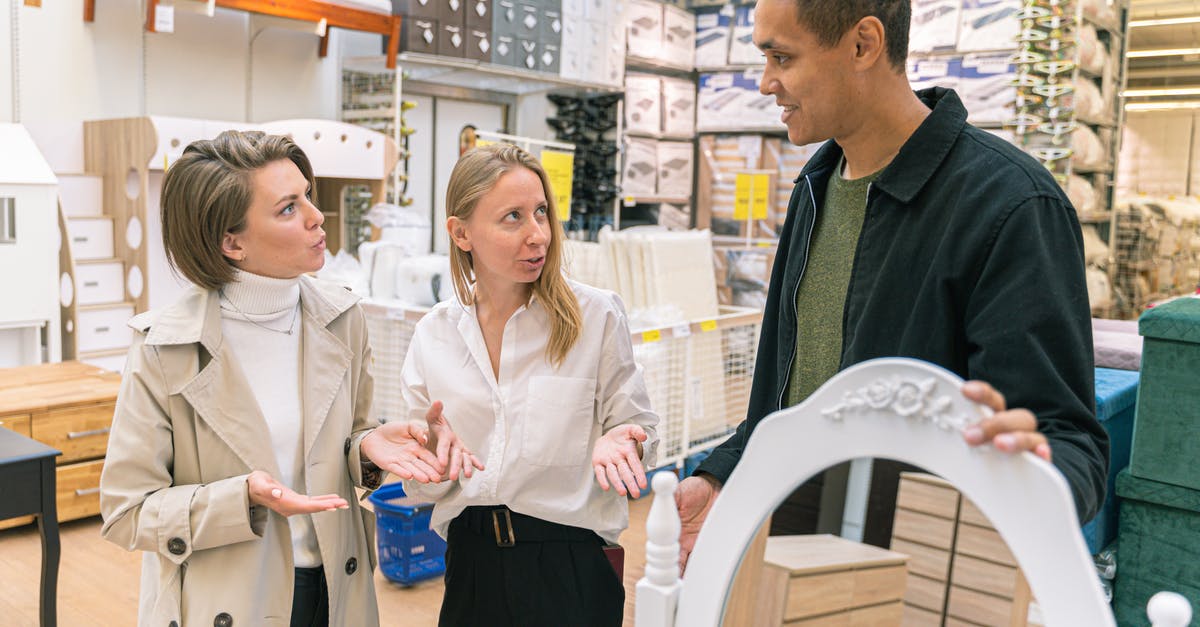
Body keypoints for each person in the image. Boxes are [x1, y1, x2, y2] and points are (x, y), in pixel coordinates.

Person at [675, 0, 1110, 570]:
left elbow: (1066, 443)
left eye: (782, 56)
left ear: (863, 45)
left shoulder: (1010, 205)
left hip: (916, 581)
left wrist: (1030, 482)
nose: (764, 83)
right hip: (790, 561)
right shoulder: (815, 189)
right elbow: (791, 404)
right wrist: (724, 471)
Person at [99, 130, 437, 627]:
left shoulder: (343, 318)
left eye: (308, 197)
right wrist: (242, 499)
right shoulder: (164, 348)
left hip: (336, 589)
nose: (316, 217)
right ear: (231, 242)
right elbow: (127, 511)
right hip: (231, 601)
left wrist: (365, 449)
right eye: (287, 209)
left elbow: (345, 441)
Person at [396, 143, 659, 627]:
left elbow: (640, 430)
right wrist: (430, 461)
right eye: (512, 218)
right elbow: (417, 491)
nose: (538, 235)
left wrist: (626, 440)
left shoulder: (594, 316)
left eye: (541, 212)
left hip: (571, 563)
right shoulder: (434, 335)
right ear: (462, 233)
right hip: (471, 562)